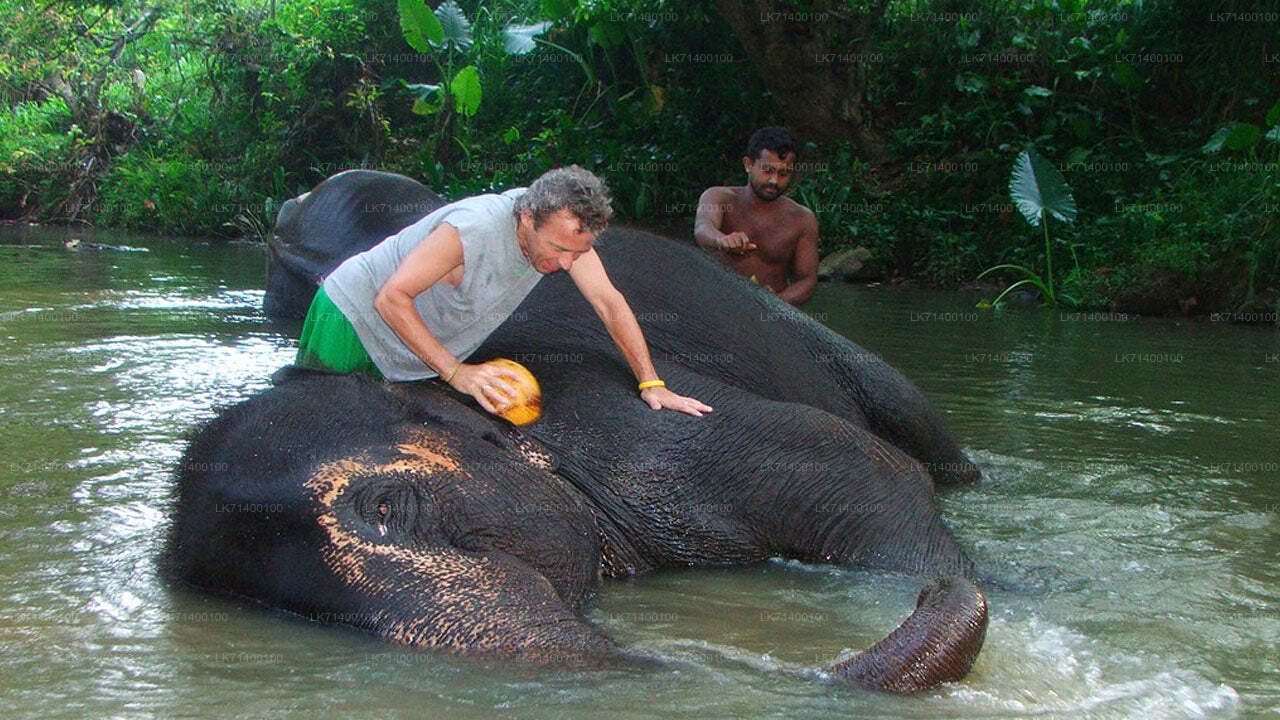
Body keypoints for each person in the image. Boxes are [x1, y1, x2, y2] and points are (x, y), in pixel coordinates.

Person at [296, 165, 712, 418]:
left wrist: (650, 382)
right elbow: (391, 297)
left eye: (578, 252)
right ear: (527, 217)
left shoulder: (566, 236)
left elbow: (609, 303)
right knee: (315, 429)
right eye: (560, 250)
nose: (567, 264)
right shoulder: (472, 229)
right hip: (352, 317)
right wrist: (457, 373)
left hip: (412, 347)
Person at [693, 126, 819, 306]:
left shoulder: (802, 219)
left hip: (770, 314)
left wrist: (775, 303)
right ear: (748, 164)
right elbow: (702, 228)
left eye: (783, 173)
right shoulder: (718, 197)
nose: (774, 180)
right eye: (767, 170)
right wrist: (722, 240)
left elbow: (807, 281)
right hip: (718, 306)